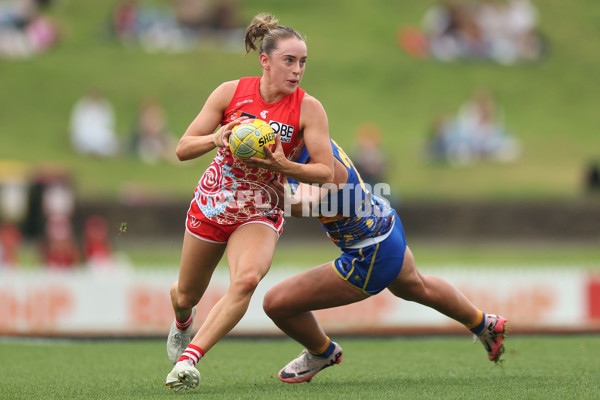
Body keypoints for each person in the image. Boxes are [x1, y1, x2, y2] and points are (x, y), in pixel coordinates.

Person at [164, 13, 334, 391]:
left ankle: (189, 360)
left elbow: (326, 172)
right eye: (289, 61)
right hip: (213, 202)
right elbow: (181, 148)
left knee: (247, 279)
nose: (297, 70)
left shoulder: (309, 109)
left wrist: (284, 165)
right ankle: (181, 322)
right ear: (265, 60)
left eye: (303, 62)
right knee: (186, 294)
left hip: (261, 207)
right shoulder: (230, 92)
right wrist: (216, 138)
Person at [262, 138, 508, 384]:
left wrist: (265, 187)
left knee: (276, 304)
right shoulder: (313, 139)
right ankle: (484, 323)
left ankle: (322, 352)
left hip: (369, 253)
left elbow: (301, 205)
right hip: (384, 225)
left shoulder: (319, 165)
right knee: (416, 286)